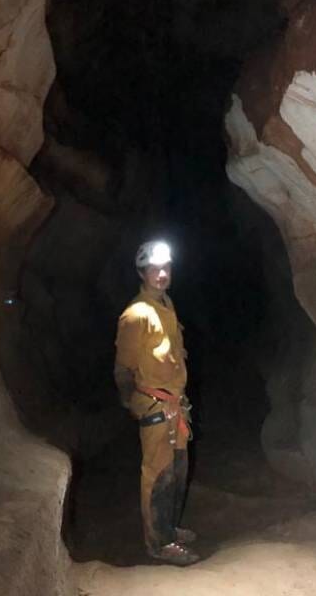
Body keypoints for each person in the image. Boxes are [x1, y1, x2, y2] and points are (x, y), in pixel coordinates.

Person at [114, 240, 199, 566]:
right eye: (155, 269)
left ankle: (170, 528)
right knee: (158, 475)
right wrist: (137, 405)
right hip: (155, 407)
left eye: (166, 268)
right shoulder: (136, 315)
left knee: (177, 472)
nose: (162, 274)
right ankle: (159, 543)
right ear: (142, 273)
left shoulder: (166, 305)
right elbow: (124, 368)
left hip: (175, 405)